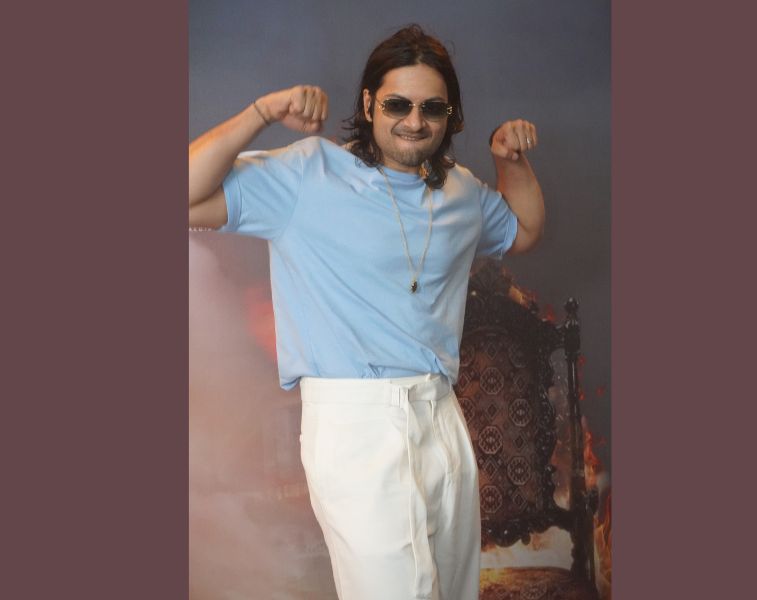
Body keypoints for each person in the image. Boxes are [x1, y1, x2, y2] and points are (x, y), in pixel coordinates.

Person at [189, 24, 544, 600]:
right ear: (369, 103)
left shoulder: (460, 191)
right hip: (355, 423)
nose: (414, 121)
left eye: (432, 108)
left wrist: (511, 160)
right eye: (398, 104)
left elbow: (524, 231)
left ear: (450, 115)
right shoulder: (308, 174)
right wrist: (262, 112)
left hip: (441, 412)